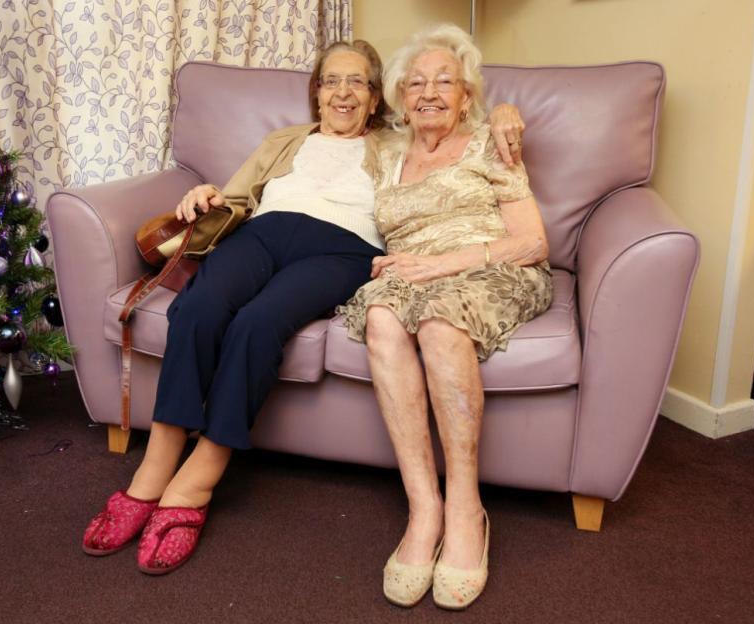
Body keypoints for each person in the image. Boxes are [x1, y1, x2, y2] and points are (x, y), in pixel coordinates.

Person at [82, 39, 527, 576]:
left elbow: (454, 123)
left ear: (375, 98)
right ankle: (154, 469)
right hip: (264, 234)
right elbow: (239, 199)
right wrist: (207, 195)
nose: (343, 93)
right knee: (197, 309)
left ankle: (199, 478)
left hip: (344, 247)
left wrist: (503, 110)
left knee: (258, 322)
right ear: (316, 93)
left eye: (358, 82)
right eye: (332, 81)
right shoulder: (284, 140)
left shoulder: (393, 140)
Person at [337, 24, 552, 610]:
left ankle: (465, 509)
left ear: (466, 95)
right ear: (401, 98)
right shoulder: (383, 151)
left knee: (437, 320)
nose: (430, 92)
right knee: (381, 315)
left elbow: (533, 242)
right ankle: (423, 508)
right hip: (412, 272)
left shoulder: (491, 142)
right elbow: (321, 134)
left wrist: (444, 265)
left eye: (446, 82)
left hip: (491, 265)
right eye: (416, 83)